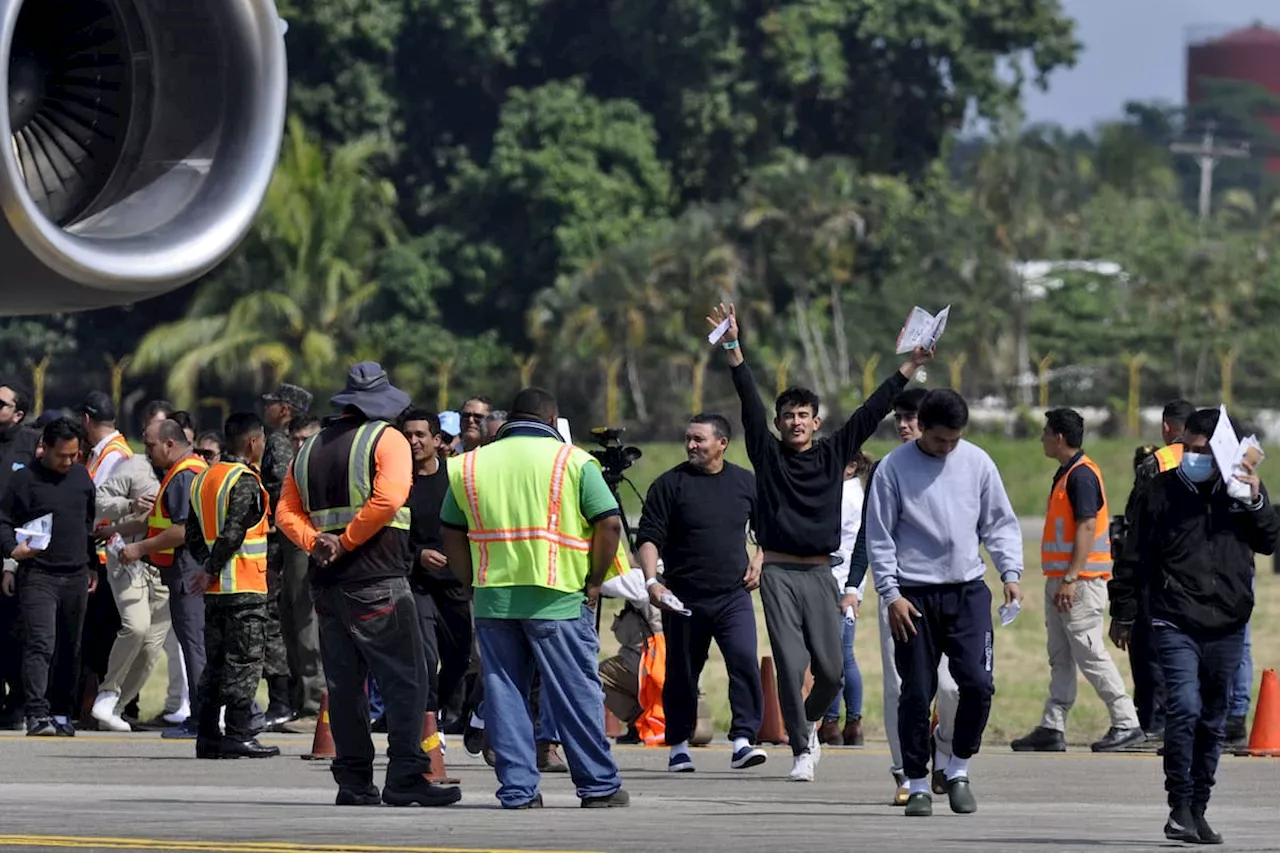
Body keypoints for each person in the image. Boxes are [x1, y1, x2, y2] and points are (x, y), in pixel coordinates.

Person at [708, 302, 932, 782]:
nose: (795, 422)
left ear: (815, 421)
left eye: (803, 415)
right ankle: (801, 747)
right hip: (779, 574)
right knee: (790, 663)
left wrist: (910, 367)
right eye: (788, 415)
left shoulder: (834, 454)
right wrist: (734, 351)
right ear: (780, 421)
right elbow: (748, 401)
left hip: (820, 573)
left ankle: (808, 722)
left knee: (831, 671)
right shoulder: (766, 455)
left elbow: (872, 411)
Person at [277, 361, 460, 808]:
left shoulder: (310, 447)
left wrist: (317, 543)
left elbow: (284, 512)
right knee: (407, 681)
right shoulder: (387, 439)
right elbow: (391, 498)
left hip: (327, 586)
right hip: (378, 579)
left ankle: (354, 782)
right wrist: (345, 542)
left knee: (343, 688)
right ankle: (405, 776)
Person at [440, 387, 629, 810]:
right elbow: (610, 524)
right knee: (575, 693)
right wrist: (595, 581)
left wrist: (470, 580)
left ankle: (518, 791)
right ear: (551, 419)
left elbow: (450, 531)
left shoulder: (468, 465)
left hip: (493, 598)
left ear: (509, 420)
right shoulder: (573, 461)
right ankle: (598, 786)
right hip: (558, 597)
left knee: (504, 694)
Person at [1110, 408, 1278, 845]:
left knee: (1212, 718)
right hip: (1173, 616)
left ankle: (1198, 807)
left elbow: (1269, 541)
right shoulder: (1159, 491)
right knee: (1183, 706)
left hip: (1226, 620)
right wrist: (1124, 612)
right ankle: (1178, 805)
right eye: (1188, 446)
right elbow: (1134, 555)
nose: (1192, 454)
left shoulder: (1240, 491)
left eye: (1201, 448)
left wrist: (1256, 499)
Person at [867, 389, 1023, 817]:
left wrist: (1010, 573)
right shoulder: (893, 470)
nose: (948, 448)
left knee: (977, 683)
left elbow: (999, 522)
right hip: (912, 597)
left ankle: (957, 769)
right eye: (940, 441)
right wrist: (891, 594)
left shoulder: (977, 462)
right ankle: (917, 782)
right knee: (916, 692)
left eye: (955, 440)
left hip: (967, 591)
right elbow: (879, 537)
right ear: (921, 428)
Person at [636, 413, 766, 773]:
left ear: (722, 443)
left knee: (743, 659)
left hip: (732, 594)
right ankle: (678, 744)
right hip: (683, 598)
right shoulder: (669, 484)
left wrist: (760, 557)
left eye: (699, 440)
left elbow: (767, 529)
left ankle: (742, 741)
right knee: (682, 672)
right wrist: (652, 582)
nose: (691, 446)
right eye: (688, 439)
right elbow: (648, 538)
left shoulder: (745, 482)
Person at [847, 388, 958, 803]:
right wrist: (852, 586)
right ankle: (905, 774)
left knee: (952, 687)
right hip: (899, 595)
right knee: (900, 685)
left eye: (912, 417)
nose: (905, 424)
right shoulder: (885, 470)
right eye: (900, 418)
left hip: (950, 594)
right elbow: (868, 535)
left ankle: (944, 754)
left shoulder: (958, 464)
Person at [1012, 408, 1143, 753]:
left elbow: (1087, 526)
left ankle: (1126, 721)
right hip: (1063, 580)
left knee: (1088, 652)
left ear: (1058, 437)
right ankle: (1052, 726)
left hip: (1079, 582)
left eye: (1045, 432)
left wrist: (1071, 577)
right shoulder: (1067, 473)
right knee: (1061, 655)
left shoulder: (1082, 475)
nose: (1041, 437)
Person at [185, 413, 280, 759]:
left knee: (215, 664)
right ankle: (240, 732)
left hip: (215, 594)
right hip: (244, 588)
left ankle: (208, 735)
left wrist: (206, 568)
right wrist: (212, 568)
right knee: (244, 662)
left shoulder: (204, 479)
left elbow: (193, 536)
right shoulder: (244, 480)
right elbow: (234, 532)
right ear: (253, 442)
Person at [0, 417, 98, 737]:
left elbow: (87, 525)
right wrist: (13, 550)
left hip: (76, 574)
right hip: (39, 575)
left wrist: (93, 565)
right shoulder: (24, 480)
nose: (68, 462)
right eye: (62, 456)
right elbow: (2, 521)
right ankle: (37, 713)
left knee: (70, 646)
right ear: (44, 448)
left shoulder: (82, 478)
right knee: (41, 643)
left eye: (74, 455)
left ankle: (60, 712)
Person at [119, 418, 209, 739]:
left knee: (194, 648)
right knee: (195, 646)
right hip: (183, 572)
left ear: (170, 444)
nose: (147, 453)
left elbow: (181, 531)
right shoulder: (185, 470)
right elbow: (156, 518)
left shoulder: (184, 475)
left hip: (187, 572)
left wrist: (139, 548)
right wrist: (115, 530)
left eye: (151, 446)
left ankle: (201, 719)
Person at [1117, 398, 1194, 743]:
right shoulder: (1218, 461)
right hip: (1201, 576)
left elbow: (1136, 526)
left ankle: (1154, 719)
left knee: (1151, 650)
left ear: (1166, 428)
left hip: (1158, 573)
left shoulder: (1156, 463)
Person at [91, 404, 171, 732]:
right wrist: (128, 505)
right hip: (129, 561)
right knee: (135, 627)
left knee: (152, 647)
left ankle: (117, 708)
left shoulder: (190, 471)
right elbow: (97, 502)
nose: (151, 445)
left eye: (159, 438)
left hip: (167, 569)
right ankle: (107, 693)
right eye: (148, 438)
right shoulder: (135, 466)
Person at [398, 409, 472, 731]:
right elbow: (388, 536)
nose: (413, 441)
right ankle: (429, 729)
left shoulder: (455, 479)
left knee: (460, 658)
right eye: (407, 435)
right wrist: (418, 557)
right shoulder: (397, 483)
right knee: (426, 659)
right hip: (417, 585)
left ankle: (438, 711)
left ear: (437, 440)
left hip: (455, 585)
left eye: (419, 435)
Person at [819, 454, 870, 747]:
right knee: (844, 654)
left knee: (836, 656)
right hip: (848, 582)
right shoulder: (854, 494)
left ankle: (832, 721)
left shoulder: (846, 497)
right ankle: (852, 723)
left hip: (838, 581)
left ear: (851, 466)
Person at [0, 381, 39, 729]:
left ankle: (18, 705)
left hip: (14, 554)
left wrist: (12, 559)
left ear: (19, 413)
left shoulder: (31, 447)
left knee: (15, 635)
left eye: (1, 404)